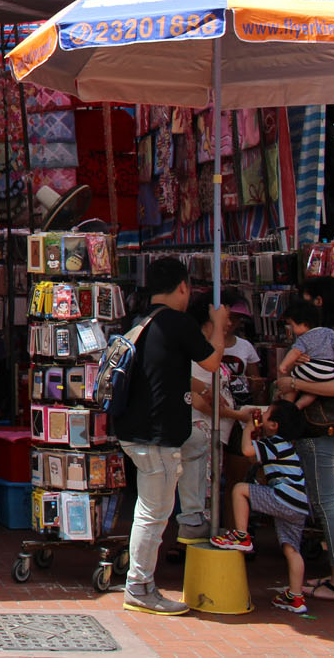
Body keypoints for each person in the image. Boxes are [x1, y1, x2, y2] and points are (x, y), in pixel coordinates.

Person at [114, 258, 225, 615]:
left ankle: (147, 574)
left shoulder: (141, 322)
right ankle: (140, 585)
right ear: (183, 287)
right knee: (154, 512)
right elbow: (212, 363)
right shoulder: (178, 323)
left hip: (137, 431)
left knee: (154, 504)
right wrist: (219, 325)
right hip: (155, 436)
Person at [281, 280, 334, 605]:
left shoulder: (332, 337)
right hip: (319, 431)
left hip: (320, 431)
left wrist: (295, 381)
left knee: (326, 504)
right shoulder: (325, 339)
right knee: (325, 503)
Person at [209, 401, 310, 614]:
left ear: (274, 425)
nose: (262, 415)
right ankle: (296, 596)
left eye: (267, 414)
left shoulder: (275, 443)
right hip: (298, 504)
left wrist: (247, 428)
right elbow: (256, 458)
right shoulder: (284, 445)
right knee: (292, 549)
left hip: (283, 497)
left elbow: (247, 451)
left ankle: (242, 535)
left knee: (239, 490)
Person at [177, 293, 257, 542]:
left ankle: (199, 530)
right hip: (204, 428)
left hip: (212, 430)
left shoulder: (203, 350)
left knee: (205, 487)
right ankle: (197, 531)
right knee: (202, 488)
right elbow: (200, 402)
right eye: (223, 317)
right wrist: (238, 414)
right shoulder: (200, 352)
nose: (229, 322)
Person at [277, 299, 334, 410]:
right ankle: (298, 405)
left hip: (310, 372)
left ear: (304, 324)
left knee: (293, 380)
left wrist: (285, 367)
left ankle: (288, 406)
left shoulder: (303, 339)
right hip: (327, 371)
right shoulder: (329, 333)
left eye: (292, 325)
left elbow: (294, 352)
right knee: (313, 390)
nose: (291, 329)